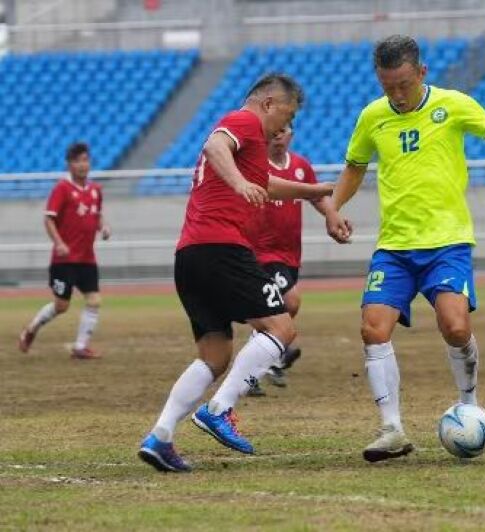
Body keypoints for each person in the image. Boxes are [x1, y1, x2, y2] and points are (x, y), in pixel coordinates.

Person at [326, 35, 485, 462]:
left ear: (422, 72)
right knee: (373, 329)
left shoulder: (452, 105)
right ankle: (391, 429)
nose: (397, 94)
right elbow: (354, 167)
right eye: (387, 86)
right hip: (394, 246)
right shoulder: (372, 116)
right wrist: (333, 209)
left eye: (404, 84)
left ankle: (468, 404)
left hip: (447, 242)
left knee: (454, 326)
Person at [138, 73, 334, 473]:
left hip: (191, 254)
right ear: (268, 104)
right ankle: (220, 409)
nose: (285, 126)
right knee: (281, 327)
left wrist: (315, 192)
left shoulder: (251, 145)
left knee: (215, 355)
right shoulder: (243, 121)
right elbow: (215, 146)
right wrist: (240, 182)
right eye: (287, 115)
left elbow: (267, 185)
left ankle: (160, 436)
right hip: (222, 247)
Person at [246, 124, 339, 395]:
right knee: (290, 301)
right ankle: (274, 354)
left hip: (290, 252)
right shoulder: (255, 166)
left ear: (291, 135)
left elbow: (314, 196)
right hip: (262, 251)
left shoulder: (300, 165)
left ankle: (259, 364)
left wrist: (332, 214)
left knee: (275, 310)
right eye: (274, 131)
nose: (278, 135)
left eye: (283, 131)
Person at [18, 142, 111, 359]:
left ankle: (80, 347)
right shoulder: (62, 188)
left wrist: (104, 227)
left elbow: (96, 215)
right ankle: (31, 329)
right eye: (77, 161)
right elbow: (49, 219)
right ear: (69, 164)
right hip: (64, 260)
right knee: (61, 305)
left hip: (87, 258)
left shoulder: (96, 190)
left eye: (85, 160)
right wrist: (59, 243)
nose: (82, 165)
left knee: (94, 300)